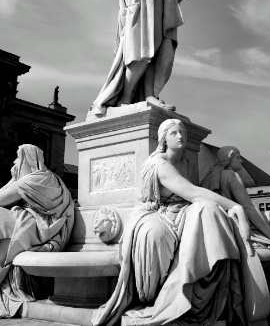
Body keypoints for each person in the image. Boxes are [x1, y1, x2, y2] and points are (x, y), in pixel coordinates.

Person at [92, 120, 257, 326]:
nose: (180, 136)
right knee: (155, 234)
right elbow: (193, 192)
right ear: (163, 139)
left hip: (178, 212)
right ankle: (157, 296)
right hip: (155, 214)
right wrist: (236, 208)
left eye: (183, 133)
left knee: (207, 211)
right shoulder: (159, 165)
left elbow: (194, 195)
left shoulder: (185, 162)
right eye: (174, 133)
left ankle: (201, 284)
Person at [201, 146, 270, 288]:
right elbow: (249, 208)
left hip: (220, 221)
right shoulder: (231, 175)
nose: (241, 161)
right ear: (228, 158)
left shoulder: (209, 177)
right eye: (237, 157)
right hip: (236, 221)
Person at [0, 144, 74, 318]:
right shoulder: (45, 176)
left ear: (28, 160)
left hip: (43, 230)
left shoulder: (36, 178)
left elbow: (1, 198)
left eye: (18, 158)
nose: (14, 162)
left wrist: (14, 180)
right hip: (43, 229)